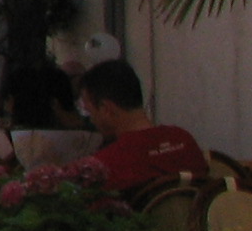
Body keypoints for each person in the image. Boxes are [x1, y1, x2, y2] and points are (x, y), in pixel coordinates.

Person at [77, 58, 209, 190]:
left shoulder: (105, 166)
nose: (92, 120)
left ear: (106, 109)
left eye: (89, 111)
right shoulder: (184, 139)